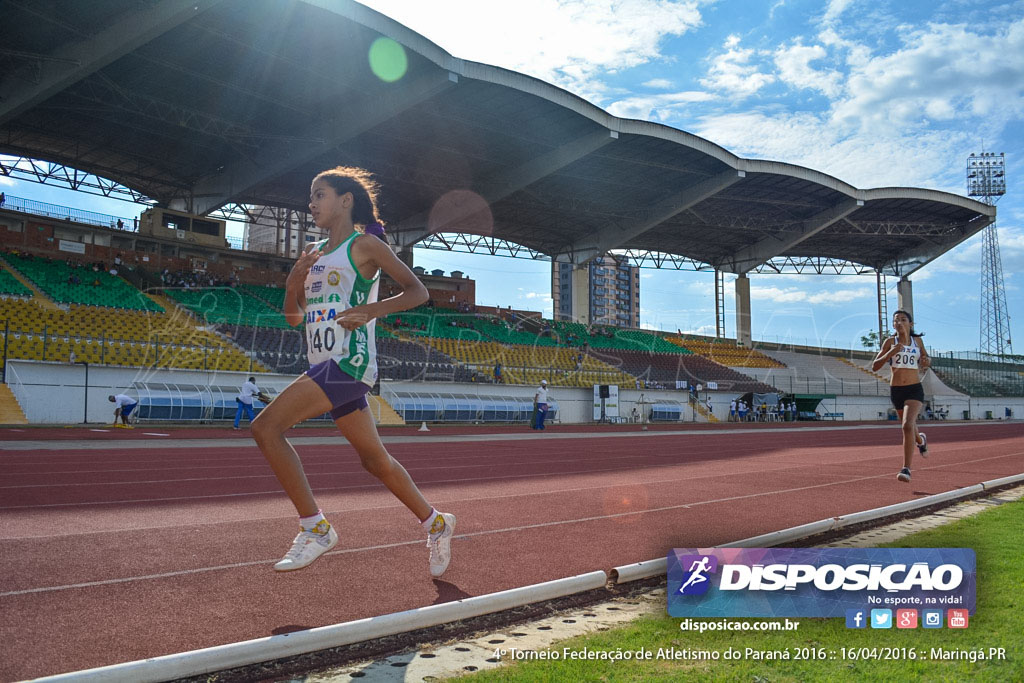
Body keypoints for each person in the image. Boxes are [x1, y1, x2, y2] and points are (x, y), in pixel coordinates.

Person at [251, 166, 454, 575]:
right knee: (374, 461)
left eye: (319, 194)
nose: (311, 203)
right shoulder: (312, 253)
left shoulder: (364, 246)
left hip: (349, 362)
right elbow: (294, 320)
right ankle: (437, 522)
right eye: (310, 197)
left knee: (265, 428)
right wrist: (293, 283)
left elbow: (418, 291)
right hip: (322, 361)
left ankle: (316, 528)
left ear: (345, 201)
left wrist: (370, 311)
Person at [871, 309, 930, 483]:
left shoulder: (917, 341)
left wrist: (927, 361)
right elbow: (875, 366)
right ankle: (921, 440)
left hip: (914, 389)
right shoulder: (890, 342)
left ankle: (906, 469)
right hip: (896, 391)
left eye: (903, 319)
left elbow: (925, 358)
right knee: (910, 428)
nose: (899, 323)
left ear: (910, 324)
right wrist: (891, 352)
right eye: (895, 320)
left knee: (906, 426)